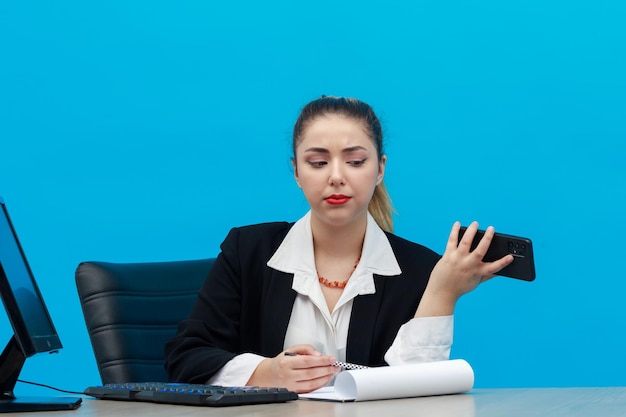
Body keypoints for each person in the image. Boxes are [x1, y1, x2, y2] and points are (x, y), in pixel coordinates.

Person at [164, 95, 513, 394]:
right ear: (296, 172)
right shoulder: (248, 250)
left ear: (379, 169)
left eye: (355, 161)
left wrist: (442, 293)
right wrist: (266, 373)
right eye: (317, 162)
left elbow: (414, 391)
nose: (335, 176)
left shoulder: (420, 269)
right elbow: (186, 356)